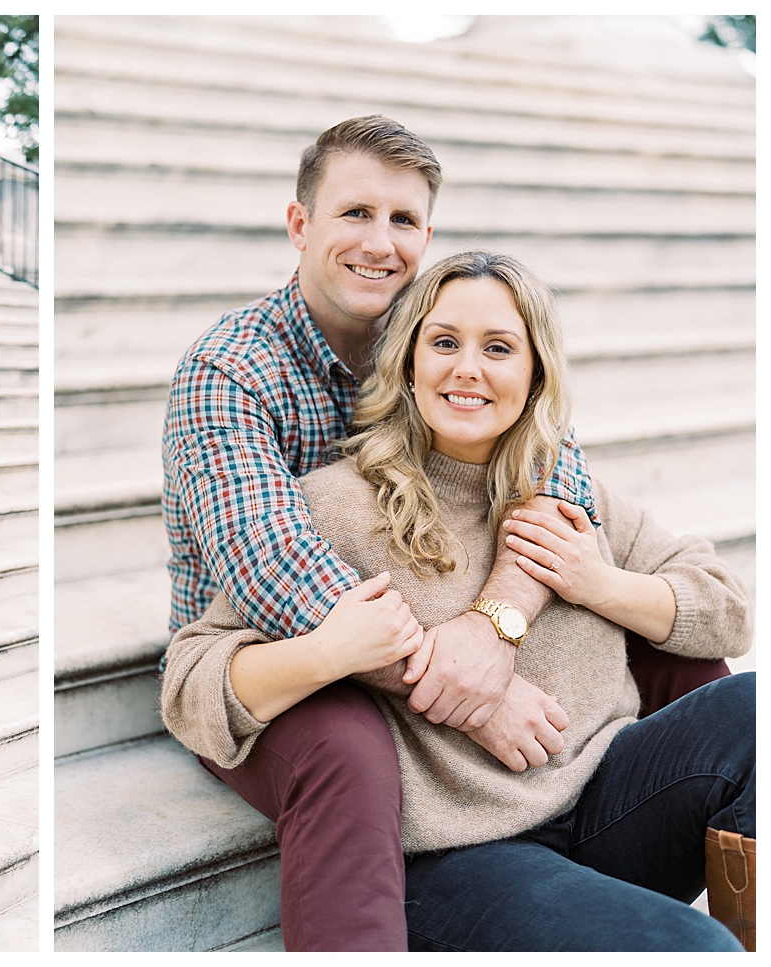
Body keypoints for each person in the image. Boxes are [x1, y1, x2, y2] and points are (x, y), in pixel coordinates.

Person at [159, 116, 733, 950]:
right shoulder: (234, 371)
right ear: (300, 224)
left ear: (426, 237)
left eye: (402, 221)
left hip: (435, 607)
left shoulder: (437, 327)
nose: (378, 241)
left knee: (693, 660)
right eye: (354, 213)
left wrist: (497, 623)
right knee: (346, 741)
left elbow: (558, 485)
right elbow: (274, 570)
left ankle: (606, 879)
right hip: (277, 654)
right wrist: (478, 689)